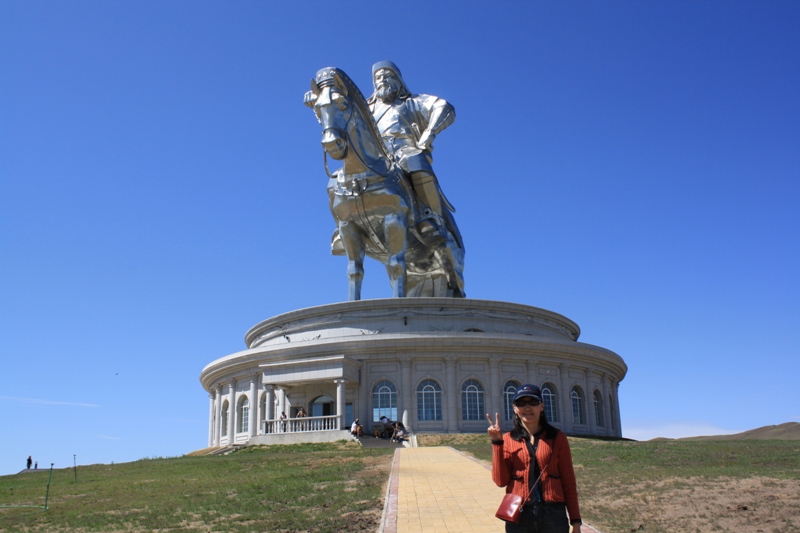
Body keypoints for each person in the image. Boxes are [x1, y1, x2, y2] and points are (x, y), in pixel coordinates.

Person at [366, 60, 456, 239]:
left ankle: (431, 217)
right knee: (344, 176)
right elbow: (341, 119)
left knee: (415, 160)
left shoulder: (413, 102)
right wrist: (317, 105)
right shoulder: (367, 108)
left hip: (404, 149)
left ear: (398, 80)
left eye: (387, 75)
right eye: (378, 77)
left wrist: (430, 132)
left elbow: (444, 108)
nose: (382, 80)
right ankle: (347, 225)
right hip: (375, 156)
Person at [486, 384, 582, 533]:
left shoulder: (557, 438)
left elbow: (568, 481)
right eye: (521, 403)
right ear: (514, 408)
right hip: (520, 515)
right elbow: (500, 481)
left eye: (533, 402)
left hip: (553, 515)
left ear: (542, 406)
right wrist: (497, 443)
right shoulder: (508, 439)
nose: (527, 407)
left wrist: (575, 521)